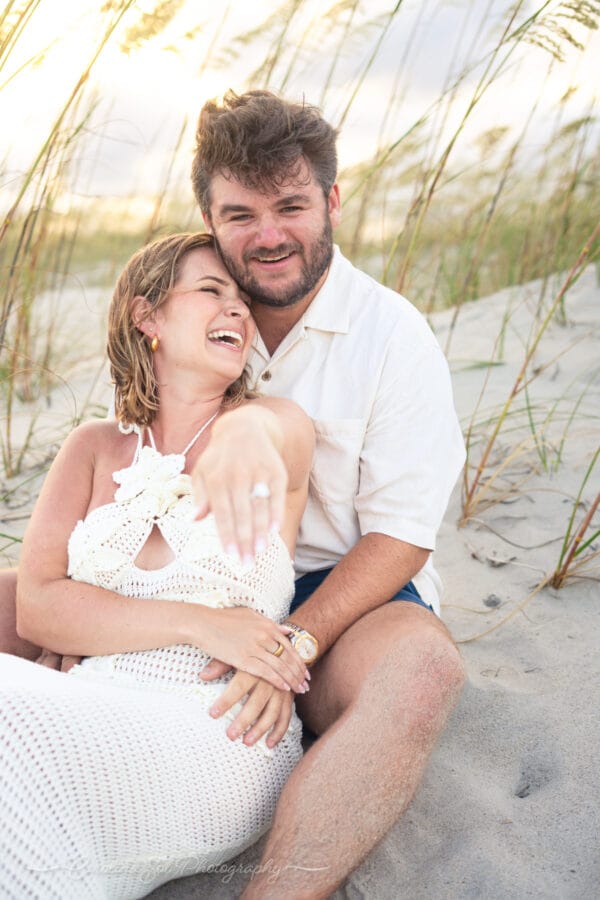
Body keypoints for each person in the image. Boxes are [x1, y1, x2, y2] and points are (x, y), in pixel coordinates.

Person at [186, 90, 467, 899]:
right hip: (202, 581)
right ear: (207, 214)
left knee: (421, 673)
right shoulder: (183, 308)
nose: (269, 236)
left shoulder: (392, 335)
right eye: (240, 214)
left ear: (332, 201)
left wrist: (293, 645)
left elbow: (403, 535)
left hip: (339, 598)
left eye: (292, 206)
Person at [0, 231, 316, 897]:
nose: (236, 310)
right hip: (89, 702)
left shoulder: (273, 427)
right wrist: (203, 622)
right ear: (149, 317)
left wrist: (246, 430)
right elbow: (39, 608)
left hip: (223, 726)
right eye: (211, 291)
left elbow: (273, 435)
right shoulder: (91, 447)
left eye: (242, 301)